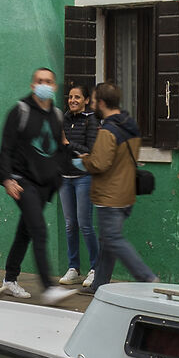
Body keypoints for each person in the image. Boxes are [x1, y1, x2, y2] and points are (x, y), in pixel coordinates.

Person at [0, 67, 73, 304]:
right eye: (40, 81)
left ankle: (9, 279)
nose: (44, 85)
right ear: (32, 85)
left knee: (26, 231)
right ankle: (48, 288)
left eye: (48, 81)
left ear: (55, 86)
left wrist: (59, 174)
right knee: (39, 229)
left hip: (44, 184)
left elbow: (58, 149)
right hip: (21, 181)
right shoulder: (20, 111)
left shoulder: (57, 115)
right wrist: (6, 179)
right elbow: (5, 148)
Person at [87, 80, 158, 290]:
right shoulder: (131, 125)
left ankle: (147, 278)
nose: (91, 105)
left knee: (112, 238)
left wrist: (84, 160)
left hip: (110, 195)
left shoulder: (108, 131)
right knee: (108, 241)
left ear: (101, 103)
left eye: (93, 101)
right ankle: (99, 285)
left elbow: (99, 163)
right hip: (127, 193)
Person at [59, 82, 100, 289]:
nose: (72, 100)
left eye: (77, 97)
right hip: (64, 178)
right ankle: (74, 268)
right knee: (70, 224)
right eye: (70, 97)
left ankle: (96, 269)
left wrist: (68, 144)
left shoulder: (91, 120)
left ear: (86, 100)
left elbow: (90, 150)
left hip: (84, 177)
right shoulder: (64, 119)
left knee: (85, 224)